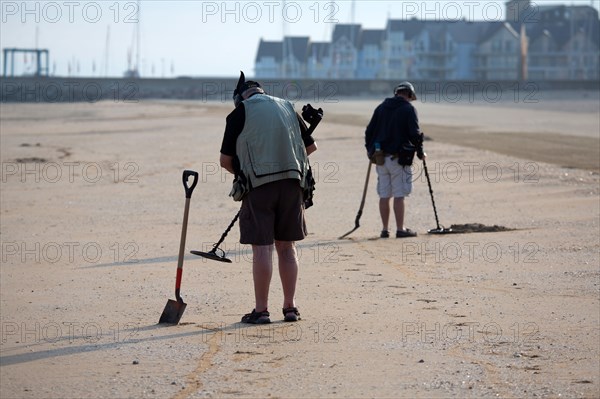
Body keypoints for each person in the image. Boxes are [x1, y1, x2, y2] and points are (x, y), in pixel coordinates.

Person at [219, 71, 320, 324]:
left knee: (262, 248)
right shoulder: (287, 106)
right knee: (287, 247)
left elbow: (225, 161)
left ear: (240, 97)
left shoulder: (238, 113)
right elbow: (310, 148)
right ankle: (290, 308)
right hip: (292, 185)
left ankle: (261, 310)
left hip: (259, 186)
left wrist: (243, 174)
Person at [364, 81, 425, 239]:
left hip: (380, 158)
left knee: (384, 195)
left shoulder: (381, 108)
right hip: (399, 159)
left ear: (396, 93)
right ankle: (400, 229)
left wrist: (370, 152)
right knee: (399, 194)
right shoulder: (408, 109)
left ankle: (385, 230)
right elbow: (415, 134)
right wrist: (420, 152)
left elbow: (369, 132)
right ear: (410, 95)